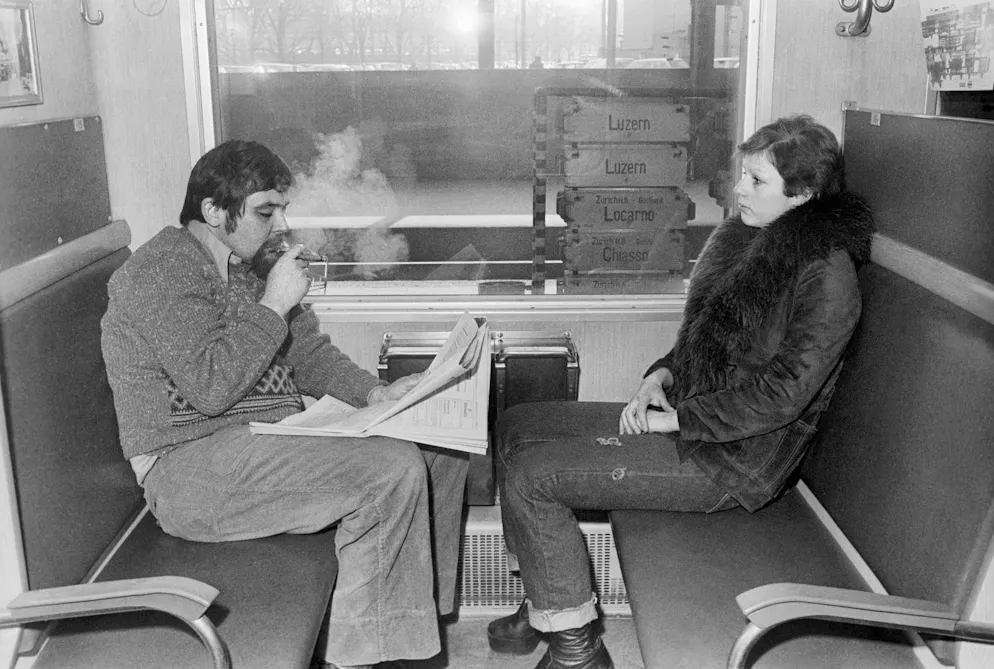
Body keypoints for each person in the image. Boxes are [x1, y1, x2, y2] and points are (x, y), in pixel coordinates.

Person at [486, 115, 874, 669]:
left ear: (804, 195)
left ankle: (576, 650)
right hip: (698, 419)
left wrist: (678, 421)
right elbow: (708, 339)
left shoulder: (828, 277)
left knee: (533, 476)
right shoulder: (753, 240)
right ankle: (549, 595)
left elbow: (782, 395)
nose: (738, 189)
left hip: (734, 458)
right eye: (743, 174)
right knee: (518, 424)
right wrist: (661, 376)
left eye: (757, 181)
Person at [100, 139, 469, 669]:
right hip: (186, 468)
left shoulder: (245, 266)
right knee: (389, 469)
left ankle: (408, 635)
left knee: (438, 450)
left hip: (258, 440)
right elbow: (210, 386)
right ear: (213, 211)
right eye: (265, 212)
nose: (279, 226)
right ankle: (366, 658)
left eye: (282, 211)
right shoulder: (161, 272)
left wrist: (373, 393)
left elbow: (307, 353)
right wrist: (274, 303)